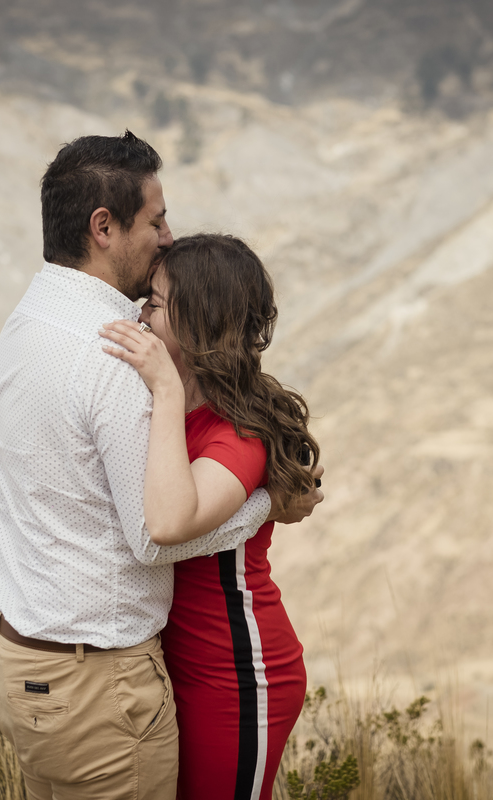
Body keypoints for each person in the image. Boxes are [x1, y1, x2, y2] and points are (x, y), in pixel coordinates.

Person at [0, 131, 324, 800]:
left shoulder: (30, 319)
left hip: (213, 668)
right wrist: (264, 507)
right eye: (155, 220)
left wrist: (261, 481)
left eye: (158, 306)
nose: (167, 235)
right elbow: (154, 531)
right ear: (103, 228)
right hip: (108, 682)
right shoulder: (120, 365)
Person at [99, 233, 320, 800]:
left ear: (197, 325)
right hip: (177, 671)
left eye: (153, 301)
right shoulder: (166, 408)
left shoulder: (237, 431)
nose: (138, 314)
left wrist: (167, 388)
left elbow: (170, 522)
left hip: (238, 674)